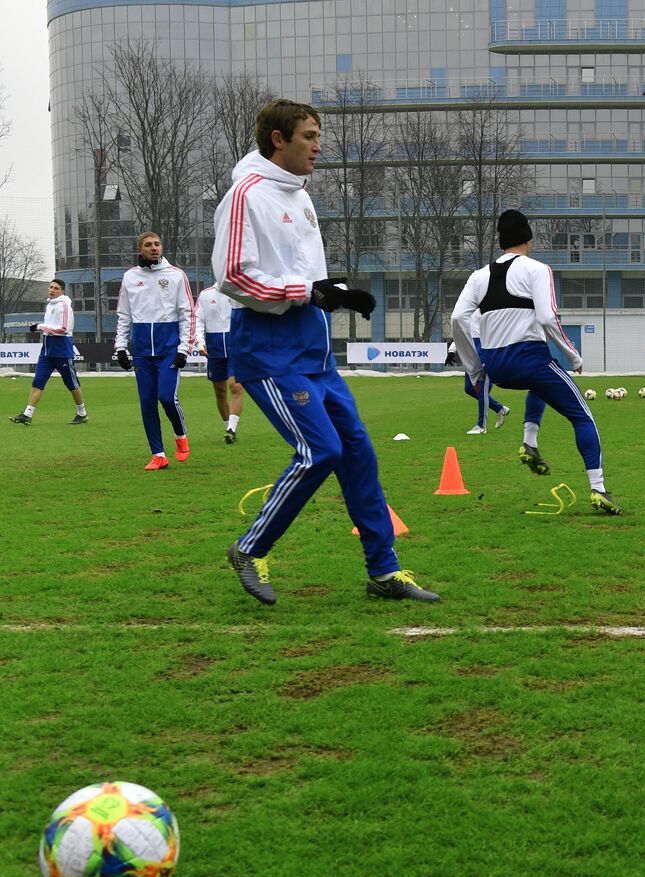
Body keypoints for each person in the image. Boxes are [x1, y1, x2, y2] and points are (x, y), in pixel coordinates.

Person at [214, 98, 438, 604]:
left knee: (358, 453)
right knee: (321, 451)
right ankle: (251, 547)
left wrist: (334, 292)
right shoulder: (245, 194)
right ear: (279, 139)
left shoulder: (300, 196)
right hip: (269, 352)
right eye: (310, 136)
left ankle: (384, 571)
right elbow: (232, 277)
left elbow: (302, 275)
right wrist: (308, 293)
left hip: (314, 352)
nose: (319, 146)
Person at [450, 209, 620, 514]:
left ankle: (529, 441)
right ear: (529, 239)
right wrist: (573, 355)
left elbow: (457, 318)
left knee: (537, 386)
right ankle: (599, 489)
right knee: (583, 418)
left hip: (497, 368)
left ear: (501, 242)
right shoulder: (537, 269)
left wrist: (474, 368)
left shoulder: (479, 276)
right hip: (531, 360)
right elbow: (546, 317)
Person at [114, 232, 196, 470]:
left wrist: (184, 349)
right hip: (141, 351)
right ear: (140, 249)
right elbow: (123, 315)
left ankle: (180, 435)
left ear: (162, 247)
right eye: (148, 245)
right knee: (147, 401)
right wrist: (121, 347)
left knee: (166, 397)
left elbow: (187, 313)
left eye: (157, 244)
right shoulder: (130, 277)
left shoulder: (176, 275)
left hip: (169, 348)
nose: (153, 248)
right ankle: (158, 454)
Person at [9, 279, 87, 426]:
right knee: (38, 381)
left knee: (71, 383)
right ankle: (27, 414)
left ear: (62, 291)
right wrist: (43, 327)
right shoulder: (50, 305)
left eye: (56, 288)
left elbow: (63, 329)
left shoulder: (64, 306)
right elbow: (51, 326)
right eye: (50, 287)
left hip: (61, 350)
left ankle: (82, 413)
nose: (52, 290)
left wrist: (40, 327)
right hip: (46, 351)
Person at [195, 284, 244, 443]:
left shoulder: (239, 292)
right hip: (214, 348)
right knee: (220, 391)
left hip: (235, 346)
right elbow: (199, 320)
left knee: (235, 386)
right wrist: (199, 342)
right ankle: (228, 428)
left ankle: (232, 429)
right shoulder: (205, 295)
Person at [452, 320, 510, 436]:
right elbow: (461, 334)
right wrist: (452, 350)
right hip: (471, 358)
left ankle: (481, 426)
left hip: (484, 357)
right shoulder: (467, 311)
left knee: (482, 390)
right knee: (469, 389)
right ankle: (500, 409)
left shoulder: (484, 312)